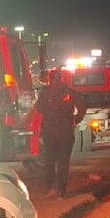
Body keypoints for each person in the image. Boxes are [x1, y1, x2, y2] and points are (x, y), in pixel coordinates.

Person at [33, 69, 83, 197]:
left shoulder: (46, 93)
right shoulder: (70, 92)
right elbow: (82, 107)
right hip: (64, 131)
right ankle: (61, 190)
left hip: (51, 132)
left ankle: (51, 187)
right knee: (62, 162)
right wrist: (75, 120)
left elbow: (39, 108)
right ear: (62, 78)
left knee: (51, 161)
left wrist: (51, 112)